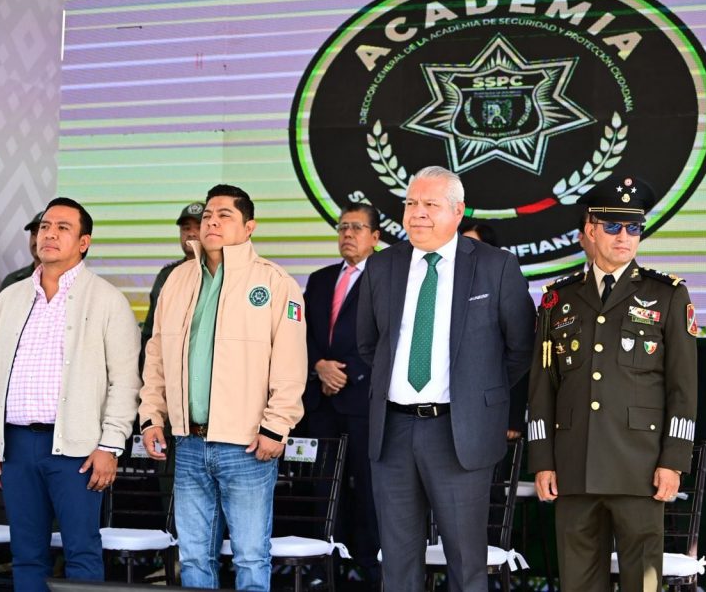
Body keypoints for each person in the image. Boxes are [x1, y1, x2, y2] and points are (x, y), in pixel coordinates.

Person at [357, 165, 536, 592]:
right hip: (393, 431)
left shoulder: (495, 266)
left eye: (430, 204)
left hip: (459, 432)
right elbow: (369, 345)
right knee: (397, 562)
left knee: (465, 561)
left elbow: (521, 347)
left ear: (457, 212)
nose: (417, 213)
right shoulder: (381, 266)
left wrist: (478, 394)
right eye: (410, 203)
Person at [527, 175, 698, 592]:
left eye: (634, 227)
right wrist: (543, 459)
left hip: (640, 466)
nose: (624, 237)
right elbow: (542, 386)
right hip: (574, 464)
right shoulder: (557, 298)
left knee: (643, 582)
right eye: (613, 226)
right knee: (578, 582)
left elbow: (683, 388)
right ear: (590, 230)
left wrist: (673, 460)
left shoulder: (668, 294)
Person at [139, 184, 307, 591]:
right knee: (194, 556)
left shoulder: (275, 281)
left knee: (250, 556)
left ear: (249, 227)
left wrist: (276, 427)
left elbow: (290, 363)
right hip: (189, 442)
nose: (212, 222)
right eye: (208, 216)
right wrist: (151, 417)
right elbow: (156, 356)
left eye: (224, 215)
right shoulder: (177, 280)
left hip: (247, 445)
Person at [0, 197, 142, 591]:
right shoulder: (10, 298)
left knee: (81, 552)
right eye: (45, 227)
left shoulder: (107, 299)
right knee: (26, 554)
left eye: (62, 228)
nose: (49, 234)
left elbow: (125, 381)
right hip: (16, 445)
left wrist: (110, 445)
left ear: (84, 242)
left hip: (78, 450)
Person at [302, 202, 382, 588]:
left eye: (357, 228)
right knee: (323, 487)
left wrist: (346, 373)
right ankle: (325, 566)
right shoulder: (320, 280)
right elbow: (302, 333)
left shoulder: (386, 278)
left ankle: (369, 567)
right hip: (322, 401)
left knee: (366, 485)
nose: (347, 234)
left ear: (375, 236)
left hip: (363, 397)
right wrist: (319, 365)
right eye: (342, 227)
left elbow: (389, 334)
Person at [460, 221, 527, 441]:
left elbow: (520, 350)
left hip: (490, 407)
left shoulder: (504, 281)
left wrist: (513, 417)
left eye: (472, 244)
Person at [140, 202, 203, 370]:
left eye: (198, 227)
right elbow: (151, 332)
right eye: (186, 228)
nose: (191, 233)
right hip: (170, 370)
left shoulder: (222, 274)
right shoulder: (167, 275)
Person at [0, 210, 42, 294]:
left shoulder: (66, 281)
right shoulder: (12, 281)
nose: (36, 240)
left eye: (42, 233)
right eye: (33, 233)